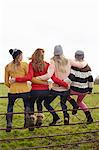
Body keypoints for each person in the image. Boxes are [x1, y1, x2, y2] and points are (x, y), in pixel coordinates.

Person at [10, 48, 68, 128]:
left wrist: (16, 79)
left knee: (31, 102)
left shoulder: (31, 64)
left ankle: (32, 119)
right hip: (46, 91)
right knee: (39, 102)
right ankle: (40, 118)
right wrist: (65, 84)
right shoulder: (47, 65)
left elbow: (29, 77)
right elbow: (54, 78)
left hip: (35, 90)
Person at [35, 45, 86, 126]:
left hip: (56, 88)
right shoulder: (69, 61)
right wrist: (85, 62)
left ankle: (56, 117)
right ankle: (66, 117)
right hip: (66, 88)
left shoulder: (52, 61)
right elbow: (81, 65)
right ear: (62, 53)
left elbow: (48, 75)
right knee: (63, 104)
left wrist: (36, 78)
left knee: (46, 103)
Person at [5, 49, 32, 132]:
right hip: (25, 90)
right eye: (21, 55)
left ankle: (9, 123)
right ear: (18, 56)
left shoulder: (7, 66)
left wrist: (12, 86)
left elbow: (6, 82)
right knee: (27, 105)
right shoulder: (25, 65)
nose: (22, 57)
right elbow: (28, 77)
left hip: (13, 91)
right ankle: (27, 119)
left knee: (10, 107)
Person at [67, 50, 93, 124]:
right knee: (80, 102)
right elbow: (90, 79)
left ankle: (74, 105)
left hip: (74, 89)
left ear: (75, 56)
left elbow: (71, 78)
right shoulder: (88, 67)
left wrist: (64, 85)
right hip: (84, 90)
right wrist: (90, 89)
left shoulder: (74, 66)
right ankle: (89, 118)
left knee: (65, 94)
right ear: (83, 57)